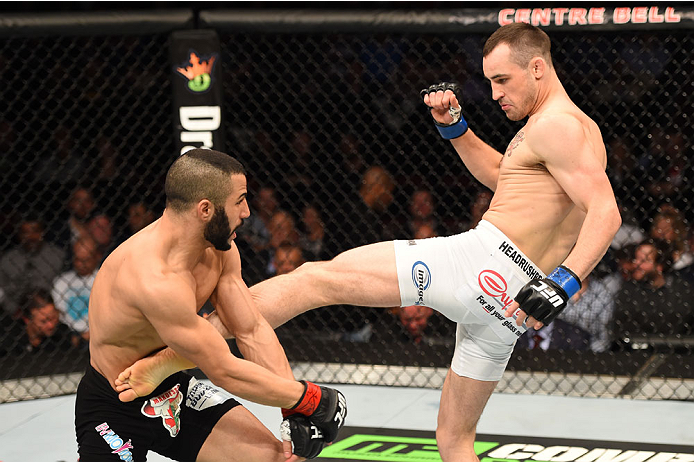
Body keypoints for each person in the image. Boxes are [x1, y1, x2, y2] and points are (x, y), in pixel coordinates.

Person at [114, 24, 621, 462]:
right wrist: (456, 129)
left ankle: (165, 359)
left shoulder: (555, 126)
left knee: (315, 279)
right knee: (453, 438)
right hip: (509, 304)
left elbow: (606, 212)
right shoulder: (575, 128)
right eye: (489, 81)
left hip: (485, 263)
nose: (494, 94)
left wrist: (566, 281)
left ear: (537, 68)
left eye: (502, 80)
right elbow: (506, 178)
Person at [74, 149, 346, 462]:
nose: (246, 212)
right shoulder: (154, 279)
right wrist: (311, 399)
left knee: (276, 459)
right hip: (114, 402)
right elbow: (223, 370)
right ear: (206, 209)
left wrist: (294, 412)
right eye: (239, 200)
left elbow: (251, 329)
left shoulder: (220, 249)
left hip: (173, 390)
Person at [0, 217, 65, 319]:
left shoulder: (58, 255)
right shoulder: (7, 260)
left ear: (42, 232)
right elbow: (2, 291)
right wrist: (14, 311)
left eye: (35, 231)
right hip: (15, 316)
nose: (30, 236)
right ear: (18, 234)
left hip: (52, 314)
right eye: (25, 232)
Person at [0, 288, 84, 356]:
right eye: (43, 321)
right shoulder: (9, 337)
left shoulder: (61, 332)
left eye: (53, 318)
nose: (50, 325)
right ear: (27, 320)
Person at [52, 236, 100, 342]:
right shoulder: (61, 281)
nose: (80, 264)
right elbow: (59, 314)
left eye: (86, 260)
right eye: (77, 259)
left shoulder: (104, 278)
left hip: (99, 331)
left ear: (97, 256)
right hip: (67, 334)